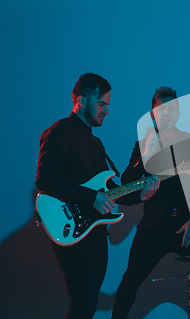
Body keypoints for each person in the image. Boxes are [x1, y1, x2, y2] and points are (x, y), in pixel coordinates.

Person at [36, 73, 160, 319]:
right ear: (81, 101)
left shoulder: (96, 144)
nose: (107, 111)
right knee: (82, 305)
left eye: (108, 105)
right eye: (102, 104)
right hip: (70, 229)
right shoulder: (60, 132)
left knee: (88, 304)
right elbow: (46, 180)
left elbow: (110, 190)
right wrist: (90, 198)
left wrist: (142, 195)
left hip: (95, 232)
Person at [111, 87, 190, 319]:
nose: (166, 114)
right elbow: (127, 184)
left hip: (188, 223)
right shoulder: (142, 145)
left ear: (177, 113)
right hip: (154, 224)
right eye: (161, 109)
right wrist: (144, 156)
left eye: (171, 109)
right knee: (129, 283)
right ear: (152, 114)